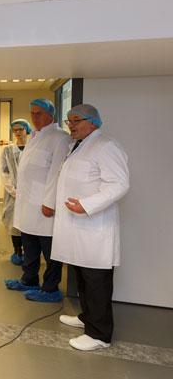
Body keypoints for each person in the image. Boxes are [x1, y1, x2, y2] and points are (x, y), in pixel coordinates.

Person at [53, 104, 129, 351]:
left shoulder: (106, 146)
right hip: (78, 227)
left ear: (94, 122)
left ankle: (99, 334)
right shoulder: (78, 145)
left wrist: (87, 205)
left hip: (95, 227)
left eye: (76, 120)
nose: (71, 125)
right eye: (69, 121)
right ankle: (87, 318)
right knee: (83, 278)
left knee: (96, 281)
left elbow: (119, 184)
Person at [5, 99, 72, 303]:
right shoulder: (35, 136)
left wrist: (49, 202)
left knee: (49, 249)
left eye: (39, 113)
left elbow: (56, 173)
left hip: (44, 204)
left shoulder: (60, 138)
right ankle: (29, 279)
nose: (34, 117)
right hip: (27, 204)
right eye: (32, 113)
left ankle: (51, 288)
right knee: (30, 245)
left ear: (50, 114)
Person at [1, 119, 31, 265]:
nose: (18, 132)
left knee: (27, 223)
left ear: (27, 130)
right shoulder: (7, 150)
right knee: (13, 223)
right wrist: (13, 191)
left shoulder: (33, 148)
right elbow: (4, 172)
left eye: (21, 129)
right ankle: (17, 251)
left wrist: (27, 192)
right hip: (12, 194)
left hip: (30, 194)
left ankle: (28, 252)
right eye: (15, 130)